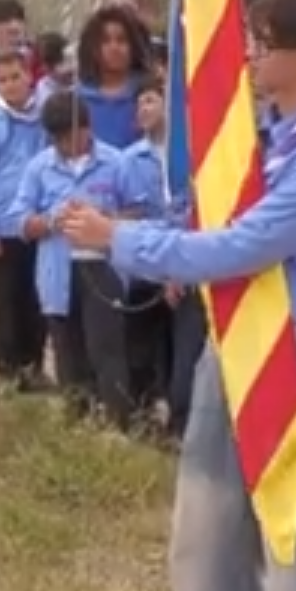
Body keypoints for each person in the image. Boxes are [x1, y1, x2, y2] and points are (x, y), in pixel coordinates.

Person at [60, 0, 296, 591]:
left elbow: (245, 247)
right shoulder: (267, 142)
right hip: (232, 342)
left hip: (292, 347)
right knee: (208, 527)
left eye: (267, 41)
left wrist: (122, 241)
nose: (253, 54)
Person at [12, 92, 130, 427]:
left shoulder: (117, 162)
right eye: (60, 139)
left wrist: (107, 219)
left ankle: (118, 422)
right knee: (67, 350)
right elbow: (19, 221)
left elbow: (142, 212)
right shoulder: (39, 168)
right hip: (58, 268)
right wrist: (51, 221)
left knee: (107, 349)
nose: (69, 145)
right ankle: (76, 423)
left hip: (103, 266)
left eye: (74, 135)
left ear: (88, 128)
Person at [0, 49, 50, 393]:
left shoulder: (44, 118)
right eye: (2, 80)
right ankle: (5, 368)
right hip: (2, 228)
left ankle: (34, 365)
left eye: (16, 77)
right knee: (6, 301)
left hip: (37, 224)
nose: (11, 85)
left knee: (37, 298)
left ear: (29, 76)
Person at [114, 80, 182, 427]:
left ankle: (177, 413)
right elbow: (125, 215)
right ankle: (142, 413)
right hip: (143, 266)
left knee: (176, 345)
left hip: (183, 263)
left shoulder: (188, 155)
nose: (144, 109)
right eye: (138, 103)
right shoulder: (128, 160)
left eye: (151, 100)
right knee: (140, 344)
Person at [72, 5, 155, 148]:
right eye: (105, 41)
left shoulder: (150, 94)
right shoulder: (75, 100)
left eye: (121, 40)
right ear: (92, 48)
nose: (114, 47)